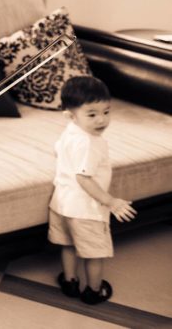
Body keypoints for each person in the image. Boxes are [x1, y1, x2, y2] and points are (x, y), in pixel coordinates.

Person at [49, 76, 135, 305]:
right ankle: (94, 291)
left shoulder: (69, 131)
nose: (101, 120)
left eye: (106, 111)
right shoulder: (90, 143)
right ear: (71, 115)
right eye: (92, 114)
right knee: (94, 253)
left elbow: (59, 154)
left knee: (68, 244)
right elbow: (84, 179)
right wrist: (111, 201)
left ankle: (70, 281)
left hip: (60, 203)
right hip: (86, 210)